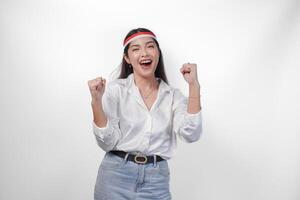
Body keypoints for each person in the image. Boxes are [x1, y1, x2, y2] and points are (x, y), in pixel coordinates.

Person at [87, 28, 202, 200]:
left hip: (156, 180)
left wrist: (194, 85)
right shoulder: (115, 91)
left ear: (157, 53)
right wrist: (96, 101)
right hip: (115, 176)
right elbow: (107, 142)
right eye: (136, 49)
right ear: (127, 59)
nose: (144, 53)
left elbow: (191, 133)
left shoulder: (173, 96)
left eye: (150, 46)